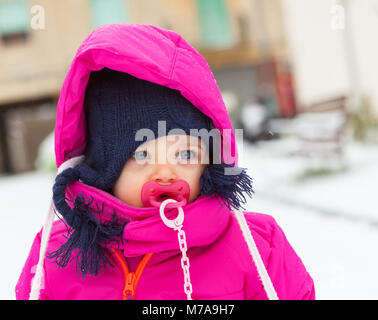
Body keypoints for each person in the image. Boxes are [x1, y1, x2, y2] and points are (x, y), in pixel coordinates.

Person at [16, 23, 314, 300]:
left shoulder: (255, 249)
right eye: (141, 155)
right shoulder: (56, 258)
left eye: (185, 154)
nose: (166, 173)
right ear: (102, 168)